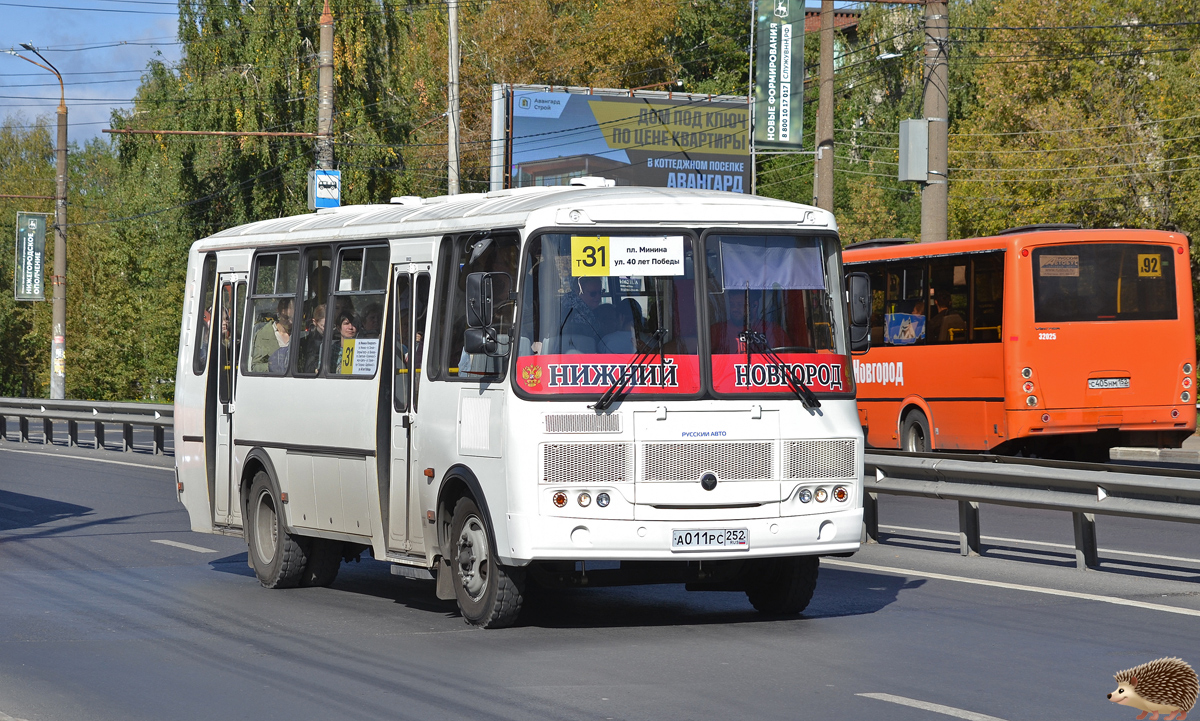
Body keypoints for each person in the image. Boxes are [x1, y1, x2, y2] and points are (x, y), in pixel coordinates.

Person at [710, 289, 788, 354]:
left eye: (739, 305)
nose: (734, 309)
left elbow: (791, 358)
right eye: (732, 305)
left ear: (754, 306)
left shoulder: (773, 331)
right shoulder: (718, 331)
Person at [557, 276, 606, 353]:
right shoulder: (579, 314)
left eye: (601, 292)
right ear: (578, 292)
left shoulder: (566, 302)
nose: (598, 297)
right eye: (593, 294)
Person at [251, 297, 293, 373]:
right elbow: (255, 367)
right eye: (286, 317)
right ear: (279, 312)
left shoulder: (300, 334)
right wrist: (272, 366)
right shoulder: (263, 335)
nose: (290, 322)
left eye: (293, 318)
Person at [298, 303, 326, 374]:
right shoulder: (310, 342)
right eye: (324, 326)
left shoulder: (336, 336)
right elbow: (308, 368)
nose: (328, 330)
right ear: (315, 322)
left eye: (333, 326)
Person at [330, 309, 357, 373]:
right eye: (346, 323)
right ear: (339, 328)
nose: (350, 327)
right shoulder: (331, 350)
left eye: (353, 324)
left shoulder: (361, 349)